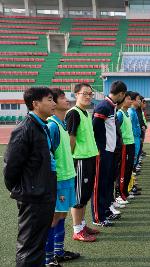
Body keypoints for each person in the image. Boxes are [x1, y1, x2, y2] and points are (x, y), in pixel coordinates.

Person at [4, 87, 57, 267]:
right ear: (35, 104)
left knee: (38, 243)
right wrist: (23, 190)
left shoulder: (42, 126)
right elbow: (11, 167)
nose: (54, 103)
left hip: (44, 194)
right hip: (33, 196)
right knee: (29, 246)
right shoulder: (25, 128)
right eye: (49, 100)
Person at [45, 88, 81, 266]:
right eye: (62, 98)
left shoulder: (62, 123)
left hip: (68, 176)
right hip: (58, 179)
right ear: (53, 102)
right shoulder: (52, 125)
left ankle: (58, 251)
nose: (67, 100)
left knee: (61, 215)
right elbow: (47, 155)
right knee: (53, 217)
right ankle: (48, 257)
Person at [65, 83, 100, 236]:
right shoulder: (73, 113)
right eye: (84, 93)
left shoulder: (85, 112)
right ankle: (77, 229)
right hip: (79, 159)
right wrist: (70, 160)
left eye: (90, 94)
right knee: (79, 196)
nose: (87, 96)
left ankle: (83, 225)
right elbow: (71, 138)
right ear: (76, 94)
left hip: (89, 158)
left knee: (85, 194)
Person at [92, 81, 127, 226]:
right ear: (121, 94)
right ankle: (98, 217)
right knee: (100, 185)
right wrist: (100, 149)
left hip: (110, 151)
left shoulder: (111, 106)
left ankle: (106, 211)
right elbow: (95, 129)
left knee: (107, 184)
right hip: (103, 152)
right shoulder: (103, 106)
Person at [116, 94, 136, 202]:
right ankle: (119, 194)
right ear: (122, 101)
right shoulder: (119, 114)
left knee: (128, 169)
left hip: (131, 144)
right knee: (123, 170)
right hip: (124, 146)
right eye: (128, 99)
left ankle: (125, 192)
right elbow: (117, 131)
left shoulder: (127, 113)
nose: (130, 101)